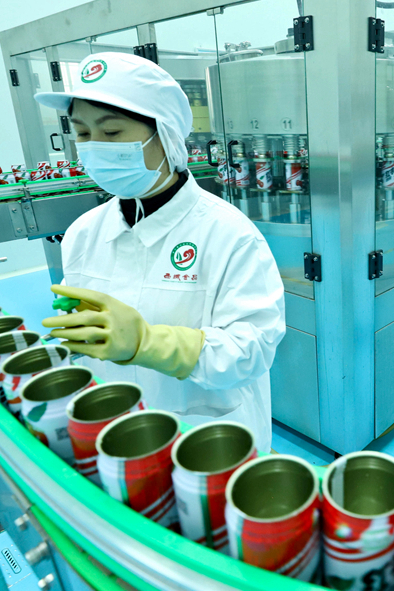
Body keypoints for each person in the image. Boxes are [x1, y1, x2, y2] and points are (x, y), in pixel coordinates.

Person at [35, 53, 285, 453]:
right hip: (114, 433)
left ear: (165, 134)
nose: (94, 147)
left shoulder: (229, 234)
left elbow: (250, 352)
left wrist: (150, 343)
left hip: (209, 442)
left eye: (112, 132)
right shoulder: (83, 232)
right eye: (82, 133)